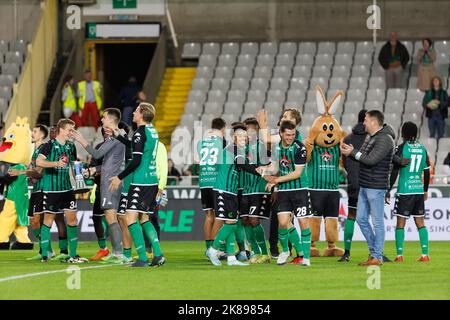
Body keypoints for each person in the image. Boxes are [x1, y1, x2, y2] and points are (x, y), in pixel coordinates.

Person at [109, 103, 165, 267]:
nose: (133, 112)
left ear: (141, 114)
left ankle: (142, 257)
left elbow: (137, 159)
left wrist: (120, 177)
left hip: (140, 181)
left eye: (136, 110)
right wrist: (120, 137)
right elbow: (138, 146)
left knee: (130, 218)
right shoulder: (151, 130)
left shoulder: (141, 132)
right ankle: (158, 254)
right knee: (145, 218)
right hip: (152, 181)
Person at [73, 108, 131, 264]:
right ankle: (118, 253)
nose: (102, 119)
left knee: (112, 217)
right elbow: (108, 161)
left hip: (110, 182)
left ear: (111, 119)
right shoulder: (116, 137)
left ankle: (119, 254)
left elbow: (97, 155)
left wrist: (81, 139)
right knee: (112, 217)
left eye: (104, 117)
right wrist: (94, 170)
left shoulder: (116, 136)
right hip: (109, 179)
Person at [341, 110, 395, 266]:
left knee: (377, 222)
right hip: (365, 185)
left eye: (365, 120)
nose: (363, 123)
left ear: (373, 122)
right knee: (361, 219)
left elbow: (371, 160)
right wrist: (351, 153)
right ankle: (374, 253)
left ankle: (377, 256)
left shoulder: (385, 139)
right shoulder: (371, 137)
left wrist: (353, 152)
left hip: (376, 186)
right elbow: (363, 156)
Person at [206, 123, 261, 267]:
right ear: (234, 137)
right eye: (240, 135)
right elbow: (243, 165)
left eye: (245, 136)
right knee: (230, 223)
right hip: (224, 191)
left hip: (229, 191)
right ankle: (213, 249)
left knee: (231, 222)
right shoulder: (233, 149)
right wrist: (262, 172)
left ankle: (231, 258)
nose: (244, 138)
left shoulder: (234, 150)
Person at [36, 119, 87, 263]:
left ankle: (73, 254)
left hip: (67, 189)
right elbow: (39, 162)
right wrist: (56, 163)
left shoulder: (71, 146)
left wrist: (79, 178)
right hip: (52, 189)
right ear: (62, 130)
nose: (72, 133)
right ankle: (45, 255)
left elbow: (73, 164)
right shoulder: (48, 145)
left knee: (72, 220)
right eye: (70, 130)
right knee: (48, 220)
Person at [263, 121, 312, 266]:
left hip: (300, 190)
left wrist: (276, 180)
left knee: (303, 222)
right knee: (283, 223)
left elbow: (297, 173)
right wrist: (265, 172)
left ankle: (306, 258)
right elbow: (275, 166)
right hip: (284, 191)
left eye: (293, 134)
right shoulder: (277, 148)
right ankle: (285, 251)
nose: (291, 137)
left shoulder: (300, 148)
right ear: (281, 134)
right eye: (288, 135)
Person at [257, 108, 304, 258]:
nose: (283, 118)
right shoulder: (285, 136)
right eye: (283, 116)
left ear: (294, 122)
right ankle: (292, 251)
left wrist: (263, 125)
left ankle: (291, 251)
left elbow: (267, 140)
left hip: (292, 184)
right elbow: (277, 163)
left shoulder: (291, 137)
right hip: (283, 182)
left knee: (288, 220)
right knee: (284, 219)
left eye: (286, 116)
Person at [387, 122, 431, 262]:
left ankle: (399, 255)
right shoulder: (423, 148)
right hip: (418, 190)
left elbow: (394, 171)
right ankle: (425, 254)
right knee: (420, 223)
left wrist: (388, 189)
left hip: (405, 190)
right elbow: (427, 171)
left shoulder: (401, 148)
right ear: (416, 133)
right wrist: (425, 190)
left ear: (403, 133)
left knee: (401, 223)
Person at [240, 117, 271, 264]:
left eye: (252, 131)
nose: (249, 134)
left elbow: (267, 167)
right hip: (245, 189)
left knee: (254, 220)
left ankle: (265, 254)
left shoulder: (261, 146)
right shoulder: (241, 148)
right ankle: (255, 253)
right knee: (245, 220)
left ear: (257, 131)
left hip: (258, 189)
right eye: (247, 131)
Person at [339, 110, 367, 262]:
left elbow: (343, 161)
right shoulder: (371, 139)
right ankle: (376, 253)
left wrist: (352, 174)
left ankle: (347, 253)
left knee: (351, 215)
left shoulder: (348, 138)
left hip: (353, 184)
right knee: (373, 218)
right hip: (369, 184)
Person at [196, 118, 226, 253]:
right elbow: (221, 162)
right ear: (223, 130)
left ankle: (208, 248)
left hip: (204, 181)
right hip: (216, 182)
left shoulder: (200, 142)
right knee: (221, 217)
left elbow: (197, 161)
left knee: (209, 216)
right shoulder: (221, 142)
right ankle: (216, 249)